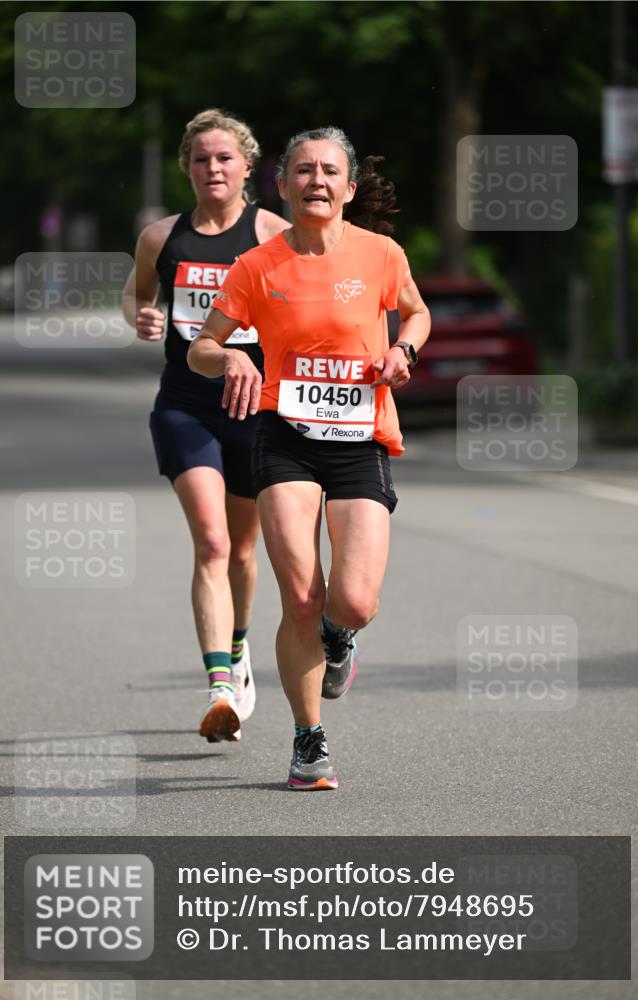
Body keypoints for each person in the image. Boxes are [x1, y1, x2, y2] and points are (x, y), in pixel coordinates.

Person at [187, 126, 430, 788]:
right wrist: (230, 356)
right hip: (284, 437)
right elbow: (200, 346)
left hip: (360, 438)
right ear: (283, 185)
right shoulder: (256, 266)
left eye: (328, 171)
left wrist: (402, 350)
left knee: (353, 601)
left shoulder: (380, 254)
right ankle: (307, 739)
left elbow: (416, 314)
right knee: (299, 595)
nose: (315, 181)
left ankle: (339, 636)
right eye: (302, 170)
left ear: (348, 188)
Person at [122, 109, 289, 742]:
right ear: (186, 167)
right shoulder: (161, 237)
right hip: (185, 403)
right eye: (201, 159)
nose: (212, 168)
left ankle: (238, 649)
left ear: (248, 165)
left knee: (244, 550)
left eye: (224, 158)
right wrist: (141, 316)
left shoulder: (274, 235)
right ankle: (219, 685)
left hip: (255, 407)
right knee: (213, 544)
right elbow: (138, 294)